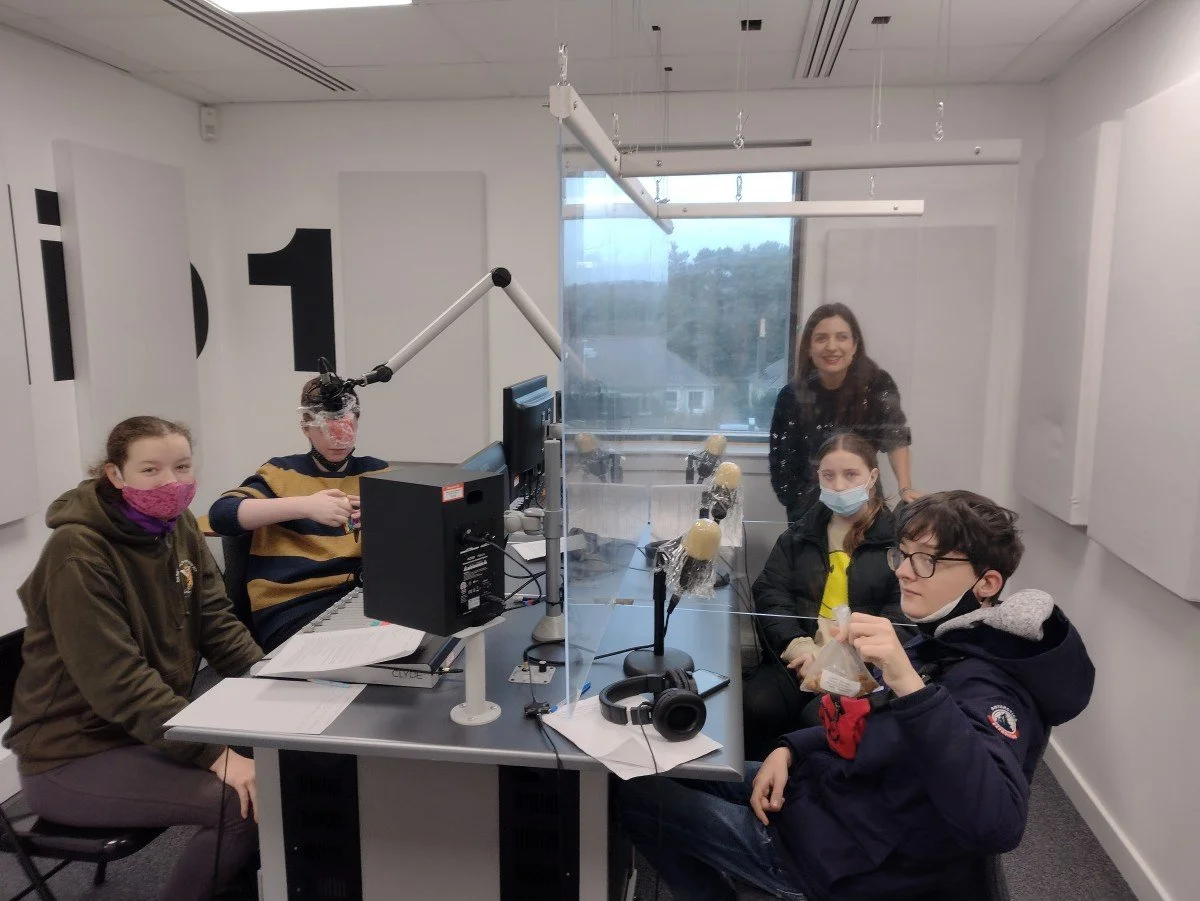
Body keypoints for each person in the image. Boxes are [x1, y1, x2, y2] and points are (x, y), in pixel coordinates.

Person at [617, 490, 1095, 901]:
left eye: (927, 560)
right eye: (904, 555)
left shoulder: (992, 684)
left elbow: (997, 823)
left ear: (988, 583)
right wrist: (790, 748)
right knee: (661, 762)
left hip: (840, 861)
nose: (905, 572)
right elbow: (871, 723)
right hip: (824, 797)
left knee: (630, 793)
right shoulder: (944, 638)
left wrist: (911, 685)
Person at [3, 416, 264, 901]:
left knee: (280, 765)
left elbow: (218, 625)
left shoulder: (177, 525)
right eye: (151, 469)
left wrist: (275, 686)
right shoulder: (77, 553)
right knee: (240, 804)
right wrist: (213, 754)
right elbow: (118, 681)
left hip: (141, 734)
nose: (172, 482)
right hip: (72, 757)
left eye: (182, 466)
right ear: (115, 475)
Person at [744, 431, 904, 760]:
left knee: (816, 718)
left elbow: (902, 615)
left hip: (861, 667)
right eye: (829, 476)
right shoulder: (801, 533)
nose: (839, 486)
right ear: (818, 478)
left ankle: (807, 791)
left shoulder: (897, 542)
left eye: (851, 475)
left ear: (872, 477)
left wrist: (851, 658)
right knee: (756, 705)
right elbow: (770, 592)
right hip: (802, 657)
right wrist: (797, 646)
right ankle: (753, 781)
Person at [208, 378, 388, 651]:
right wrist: (305, 506)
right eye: (326, 427)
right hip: (295, 605)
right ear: (305, 426)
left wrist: (390, 516)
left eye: (346, 426)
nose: (337, 439)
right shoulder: (281, 472)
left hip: (362, 597)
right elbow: (222, 515)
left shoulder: (377, 473)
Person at [769, 303, 916, 523]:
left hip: (866, 502)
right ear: (808, 347)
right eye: (821, 338)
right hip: (808, 510)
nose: (832, 347)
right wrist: (803, 507)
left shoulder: (877, 384)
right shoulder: (792, 396)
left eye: (841, 337)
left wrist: (905, 488)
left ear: (855, 344)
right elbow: (782, 465)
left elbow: (895, 437)